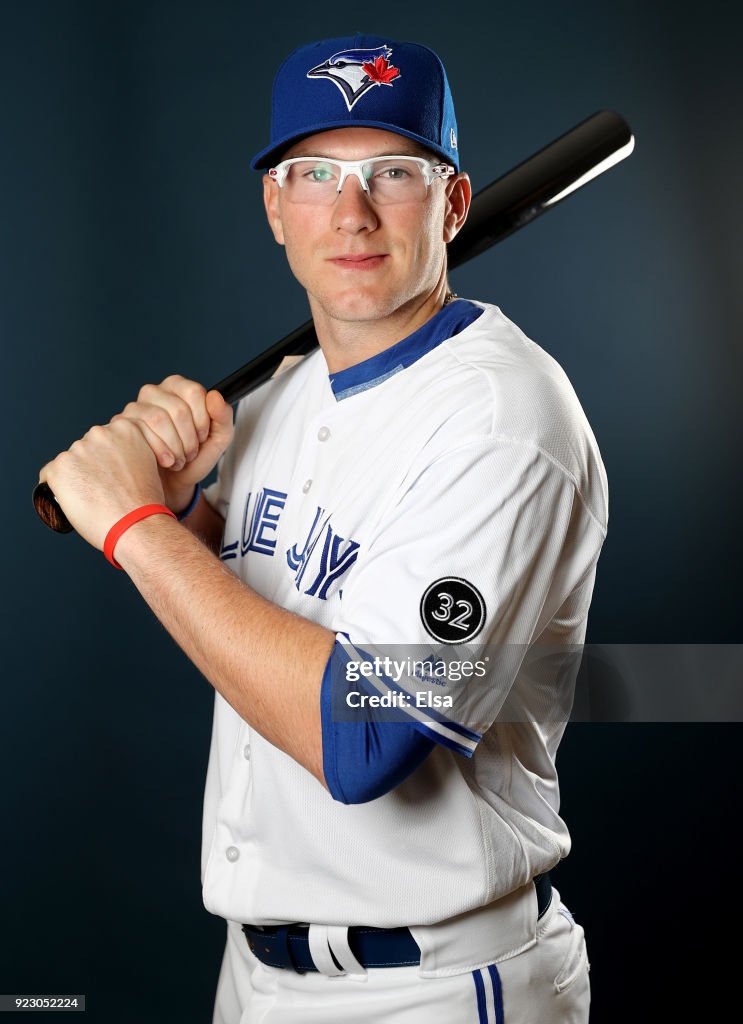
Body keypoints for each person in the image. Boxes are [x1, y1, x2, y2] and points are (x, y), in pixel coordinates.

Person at [40, 34, 607, 1024]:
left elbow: (367, 731)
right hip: (254, 974)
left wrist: (133, 523)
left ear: (453, 203)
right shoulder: (281, 400)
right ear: (275, 207)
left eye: (392, 171)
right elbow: (275, 603)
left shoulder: (502, 417)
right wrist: (182, 506)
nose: (350, 212)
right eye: (316, 174)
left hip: (433, 986)